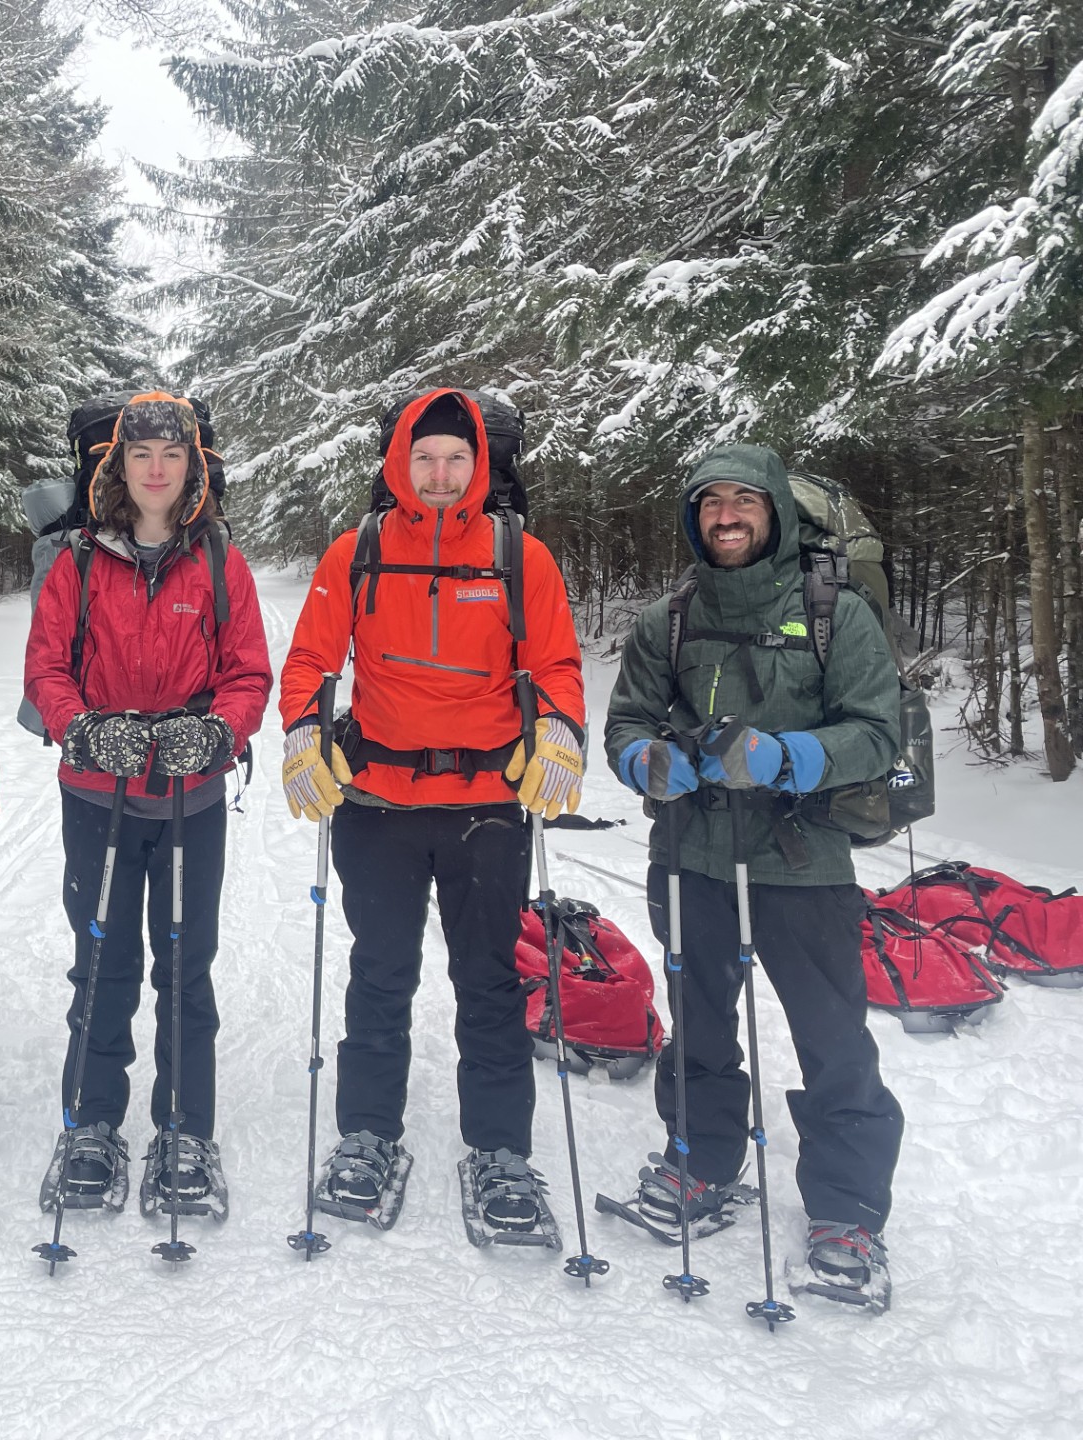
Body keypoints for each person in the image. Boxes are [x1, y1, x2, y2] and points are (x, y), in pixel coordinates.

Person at [276, 387, 585, 1242]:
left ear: (480, 464)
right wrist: (305, 734)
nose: (442, 475)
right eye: (426, 458)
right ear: (399, 464)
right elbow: (309, 659)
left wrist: (559, 730)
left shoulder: (521, 555)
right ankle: (367, 1136)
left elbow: (556, 662)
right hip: (378, 802)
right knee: (379, 972)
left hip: (487, 805)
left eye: (457, 458)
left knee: (488, 980)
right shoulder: (358, 552)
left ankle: (501, 1151)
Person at [604, 443, 903, 1305]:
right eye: (709, 504)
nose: (725, 517)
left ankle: (846, 1213)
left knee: (832, 1036)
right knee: (696, 1021)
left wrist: (788, 755)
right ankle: (699, 1164)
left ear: (771, 510)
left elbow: (876, 733)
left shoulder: (834, 613)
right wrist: (645, 763)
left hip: (803, 861)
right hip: (691, 855)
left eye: (742, 501)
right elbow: (626, 723)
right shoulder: (668, 617)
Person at [23, 391, 272, 1219]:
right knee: (102, 963)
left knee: (183, 963)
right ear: (117, 466)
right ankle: (92, 1122)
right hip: (97, 796)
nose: (156, 469)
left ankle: (184, 1127)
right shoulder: (79, 563)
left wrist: (219, 734)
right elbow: (46, 670)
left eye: (171, 455)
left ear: (192, 466)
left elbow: (247, 674)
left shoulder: (219, 562)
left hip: (188, 799)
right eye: (141, 455)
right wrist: (84, 730)